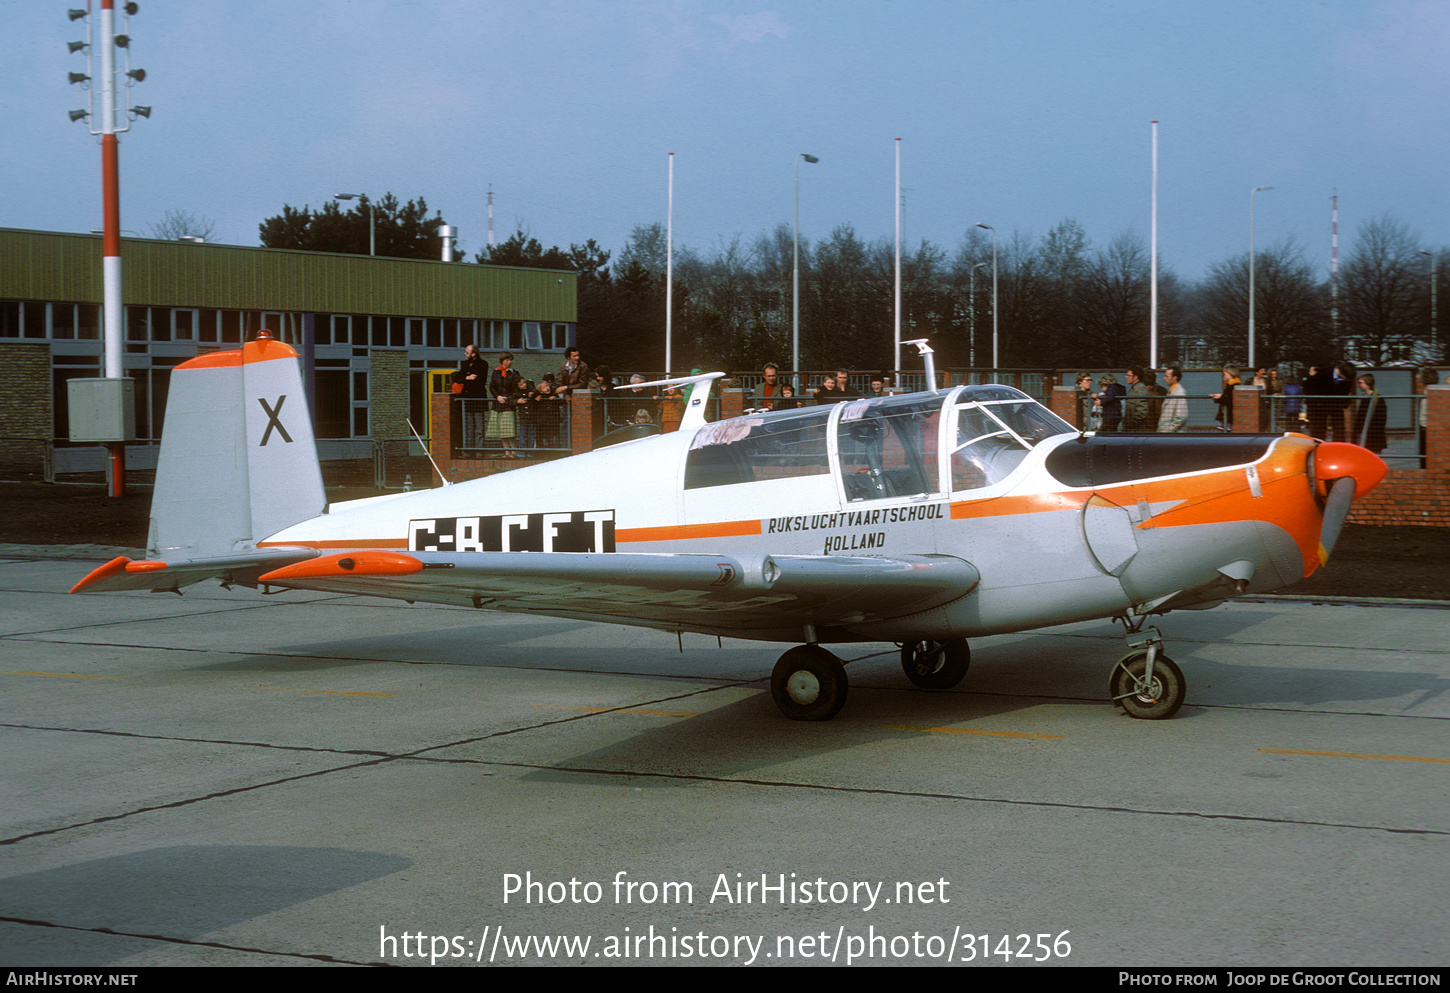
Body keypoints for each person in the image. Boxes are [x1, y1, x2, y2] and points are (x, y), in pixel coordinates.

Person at [451, 343, 490, 448]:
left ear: (473, 354)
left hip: (477, 400)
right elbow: (455, 377)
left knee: (478, 428)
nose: (465, 354)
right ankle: (468, 451)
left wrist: (464, 379)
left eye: (467, 352)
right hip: (466, 401)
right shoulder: (465, 364)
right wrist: (466, 378)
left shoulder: (483, 364)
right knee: (468, 428)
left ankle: (479, 452)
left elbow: (479, 382)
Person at [487, 352, 524, 458]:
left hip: (508, 404)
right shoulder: (496, 372)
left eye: (510, 360)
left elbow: (517, 388)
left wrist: (509, 399)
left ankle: (514, 452)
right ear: (502, 361)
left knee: (509, 430)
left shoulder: (514, 373)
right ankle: (506, 452)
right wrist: (497, 396)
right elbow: (492, 387)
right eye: (507, 360)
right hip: (498, 404)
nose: (509, 362)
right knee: (502, 431)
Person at [1352, 373, 1388, 453]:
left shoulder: (1377, 399)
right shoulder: (1365, 397)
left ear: (1367, 383)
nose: (1359, 385)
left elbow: (1381, 418)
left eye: (1361, 383)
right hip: (1365, 434)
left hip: (1373, 436)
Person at [1157, 366, 1188, 433]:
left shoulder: (1180, 392)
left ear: (1174, 378)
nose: (1164, 378)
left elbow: (1181, 417)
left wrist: (1169, 430)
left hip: (1172, 436)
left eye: (1167, 376)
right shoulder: (1172, 391)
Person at [1122, 366, 1153, 431]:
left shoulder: (1140, 390)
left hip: (1137, 429)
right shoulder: (1134, 389)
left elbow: (1142, 412)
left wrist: (1130, 423)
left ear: (1135, 377)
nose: (1126, 377)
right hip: (1132, 428)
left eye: (1129, 375)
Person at [1210, 366, 1239, 432]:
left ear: (1231, 373)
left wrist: (1218, 397)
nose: (1224, 376)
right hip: (1228, 412)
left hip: (1228, 412)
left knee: (1225, 430)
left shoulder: (1232, 385)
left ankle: (1224, 425)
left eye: (1225, 374)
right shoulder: (1233, 384)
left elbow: (1228, 398)